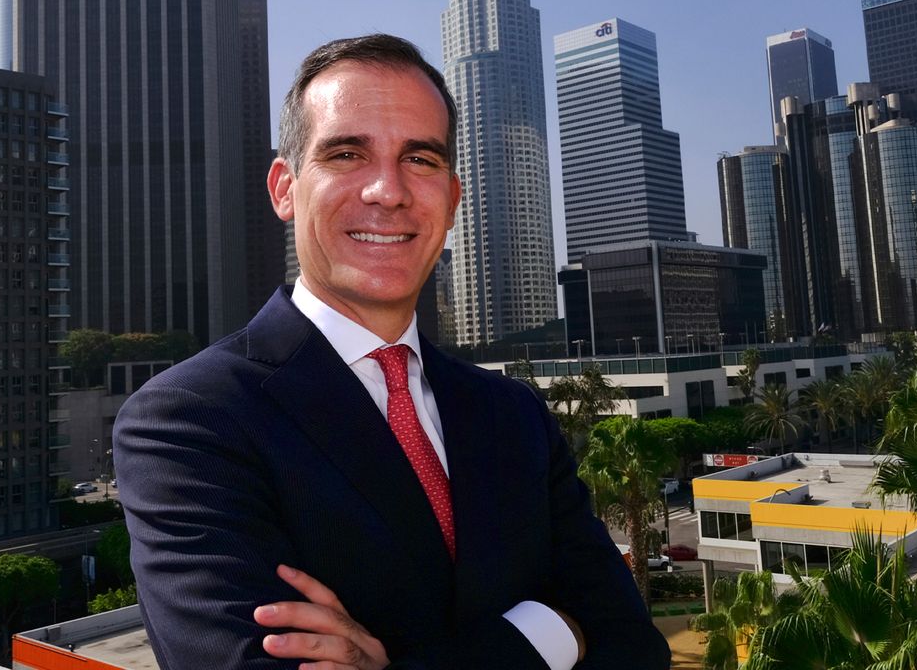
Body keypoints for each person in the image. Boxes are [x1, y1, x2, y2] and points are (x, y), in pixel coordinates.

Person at [113, 34, 670, 669]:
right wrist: (550, 630)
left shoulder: (514, 414)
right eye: (347, 153)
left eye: (422, 159)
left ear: (453, 199)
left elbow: (631, 647)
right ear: (284, 188)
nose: (388, 190)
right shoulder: (187, 422)